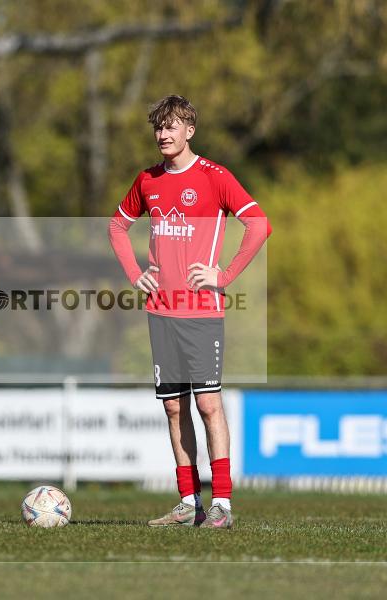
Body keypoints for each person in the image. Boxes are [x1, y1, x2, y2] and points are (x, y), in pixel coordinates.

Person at [109, 95, 271, 529]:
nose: (163, 134)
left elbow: (259, 225)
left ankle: (222, 504)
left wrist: (225, 275)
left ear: (189, 131)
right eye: (158, 128)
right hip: (160, 310)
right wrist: (134, 273)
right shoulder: (147, 180)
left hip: (201, 311)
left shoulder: (215, 177)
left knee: (208, 405)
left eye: (172, 126)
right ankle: (188, 503)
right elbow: (117, 225)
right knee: (174, 409)